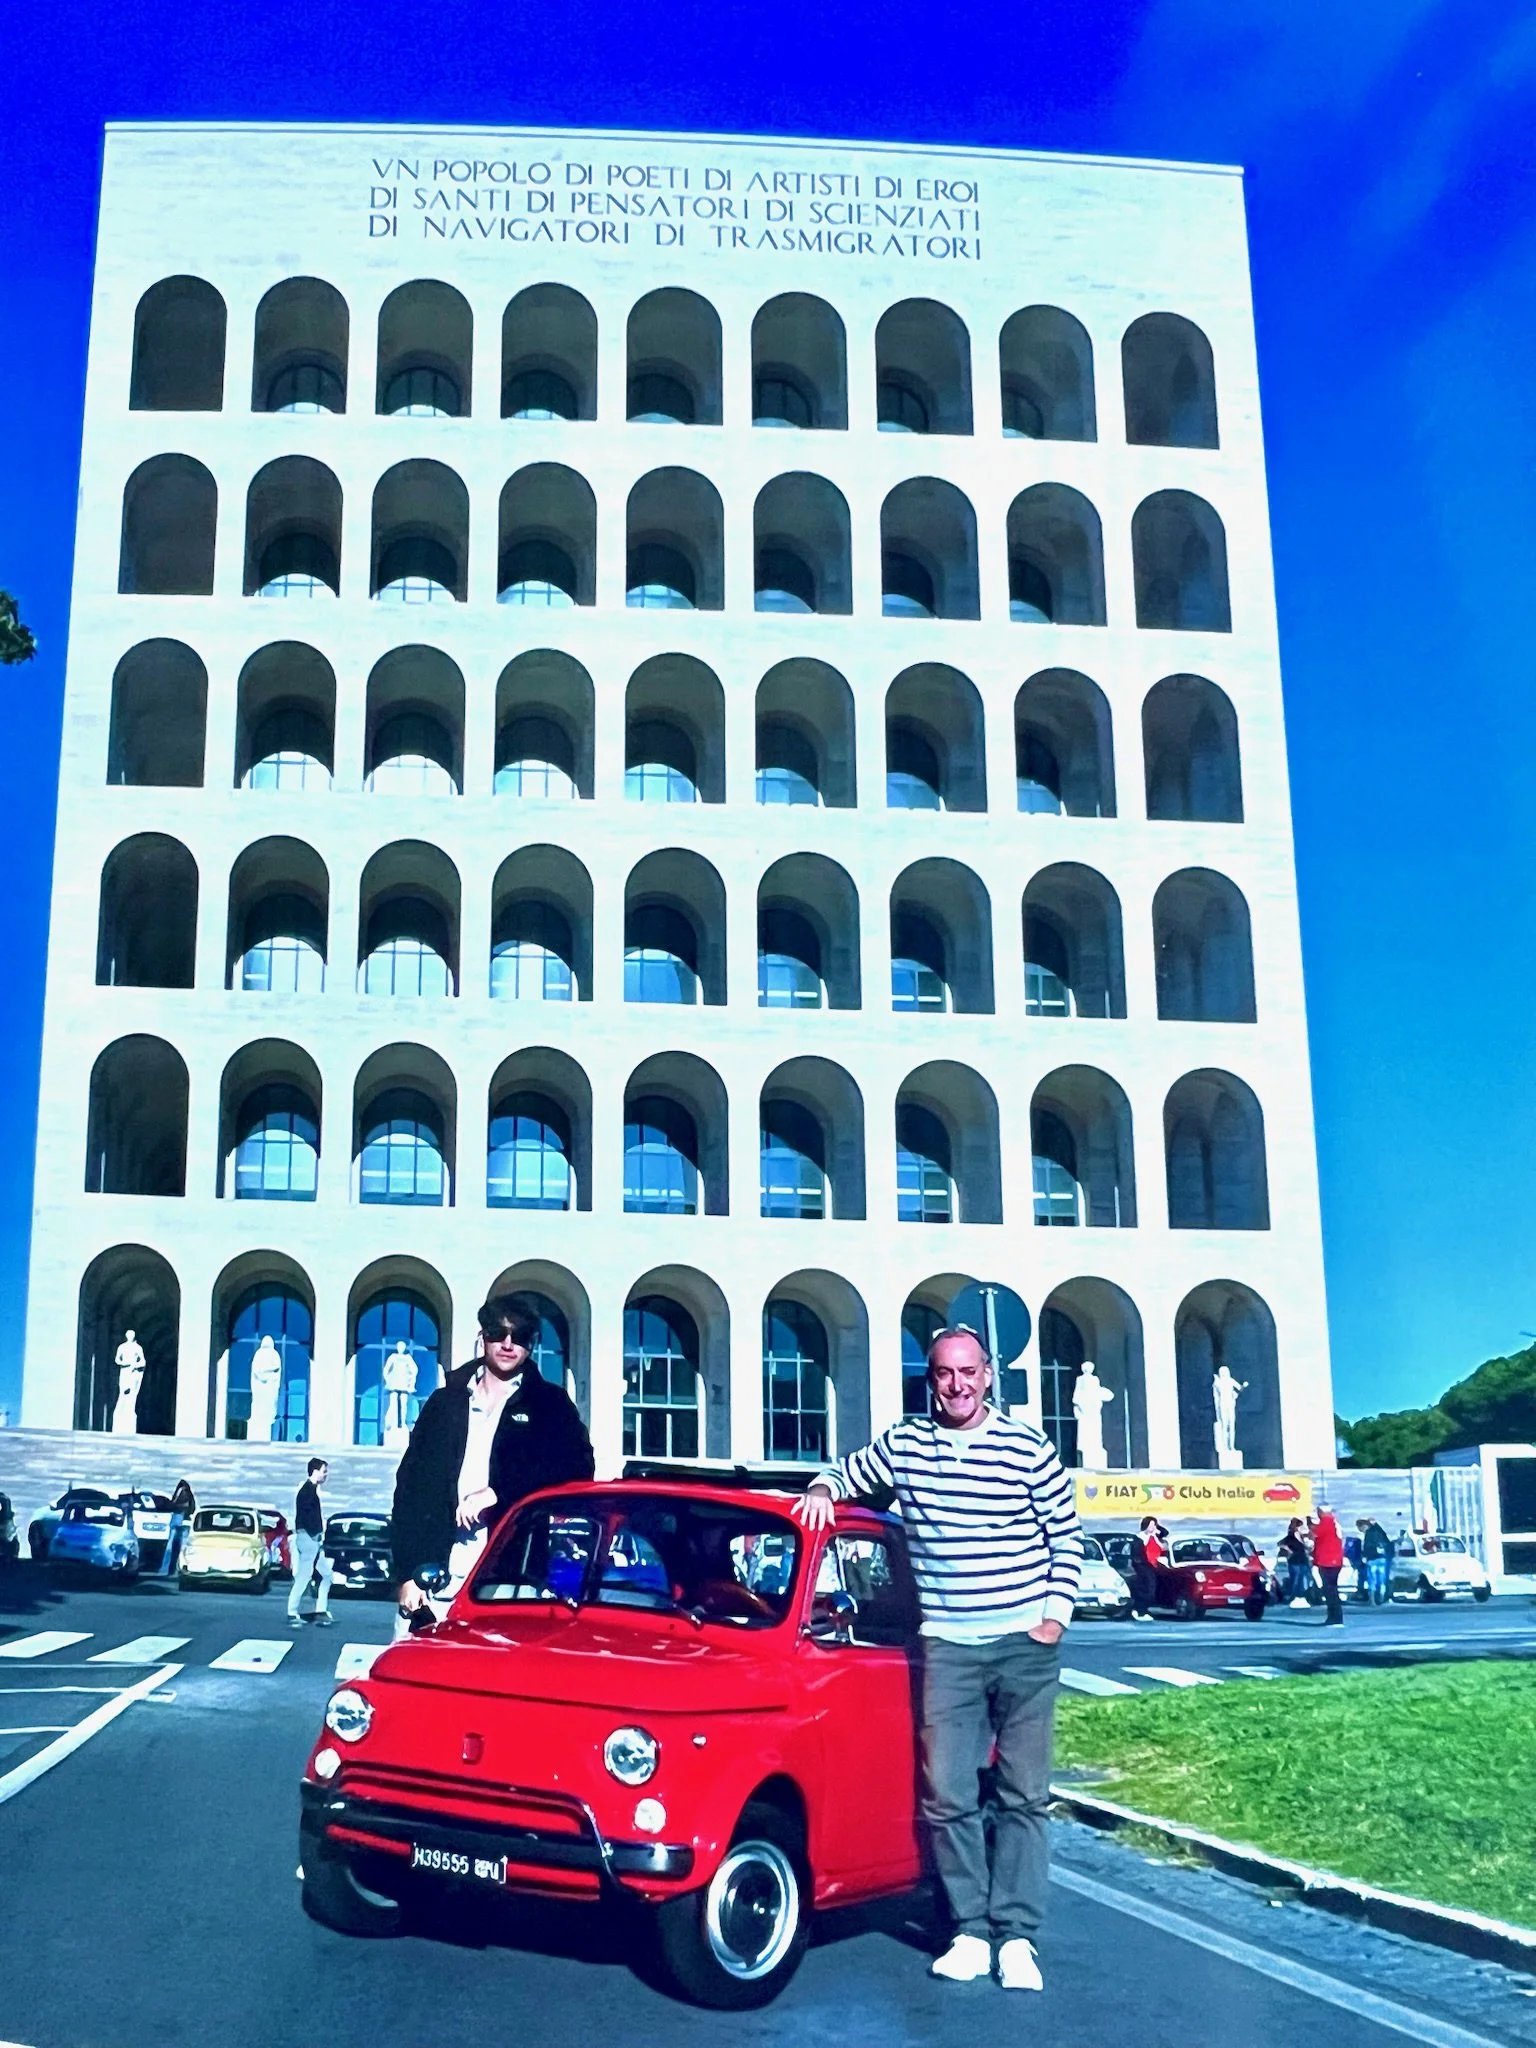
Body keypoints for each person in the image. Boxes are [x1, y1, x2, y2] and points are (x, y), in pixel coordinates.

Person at [792, 1326, 1082, 1994]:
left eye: (968, 1372)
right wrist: (820, 1488)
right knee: (947, 1794)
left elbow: (1064, 1536)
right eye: (943, 1374)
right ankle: (971, 1931)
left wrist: (1052, 1620)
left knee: (1023, 1795)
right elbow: (847, 1473)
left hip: (1023, 1644)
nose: (956, 1385)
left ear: (988, 1376)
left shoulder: (1027, 1448)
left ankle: (1017, 1938)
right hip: (949, 1643)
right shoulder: (906, 1444)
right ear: (931, 1379)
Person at [392, 1294, 595, 1634]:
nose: (508, 1344)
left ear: (532, 1345)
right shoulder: (444, 1403)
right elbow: (409, 1492)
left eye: (521, 1337)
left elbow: (578, 1467)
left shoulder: (550, 1405)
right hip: (433, 1580)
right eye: (498, 1334)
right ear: (482, 1337)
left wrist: (499, 1492)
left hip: (510, 1582)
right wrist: (407, 1575)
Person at [288, 1457, 335, 1629]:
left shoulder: (312, 1490)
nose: (326, 1474)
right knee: (304, 1576)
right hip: (308, 1538)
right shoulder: (306, 1491)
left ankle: (320, 1610)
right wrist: (315, 1534)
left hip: (314, 1539)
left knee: (327, 1575)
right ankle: (292, 1612)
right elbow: (306, 1517)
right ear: (315, 1471)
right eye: (324, 1470)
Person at [1310, 1503, 1345, 1624]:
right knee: (1332, 1589)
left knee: (1330, 1590)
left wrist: (1310, 1527)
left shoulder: (1326, 1522)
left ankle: (1334, 1617)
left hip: (1327, 1561)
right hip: (1334, 1561)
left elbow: (1314, 1535)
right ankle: (1335, 1616)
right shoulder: (1334, 1523)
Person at [1128, 1514, 1167, 1621]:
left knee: (1152, 1589)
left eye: (1154, 1525)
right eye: (1151, 1525)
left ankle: (1142, 1610)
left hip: (1153, 1566)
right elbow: (1136, 1554)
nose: (1153, 1528)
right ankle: (1139, 1611)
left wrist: (1157, 1527)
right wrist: (1141, 1565)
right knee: (1146, 1589)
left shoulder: (1155, 1536)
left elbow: (1165, 1532)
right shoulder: (1139, 1538)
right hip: (1143, 1567)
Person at [1277, 1517, 1311, 1605]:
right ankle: (1293, 1596)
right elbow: (1280, 1543)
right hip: (1295, 1561)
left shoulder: (1300, 1537)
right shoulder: (1291, 1536)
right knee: (1296, 1579)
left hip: (1302, 1560)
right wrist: (1289, 1550)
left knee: (1301, 1579)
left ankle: (1300, 1595)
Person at [1361, 1517, 1394, 1605]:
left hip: (1372, 1559)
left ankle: (1372, 1601)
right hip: (1382, 1559)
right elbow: (1388, 1543)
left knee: (1372, 1580)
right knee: (1382, 1580)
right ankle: (1382, 1599)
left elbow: (1367, 1546)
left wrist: (1364, 1556)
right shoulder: (1381, 1532)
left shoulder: (1369, 1533)